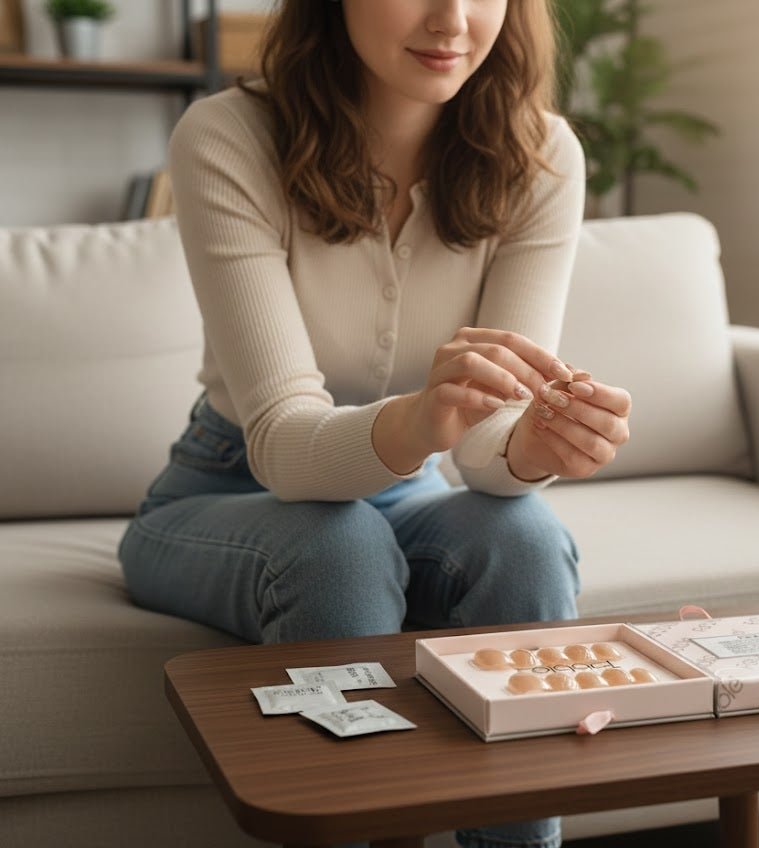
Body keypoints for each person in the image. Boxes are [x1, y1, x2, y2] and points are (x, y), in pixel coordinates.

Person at [119, 1, 631, 846]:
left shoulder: (540, 156)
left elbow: (484, 452)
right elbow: (282, 444)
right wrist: (425, 418)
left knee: (525, 537)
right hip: (224, 485)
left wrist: (529, 447)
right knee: (339, 546)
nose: (453, 19)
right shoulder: (228, 136)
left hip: (410, 489)